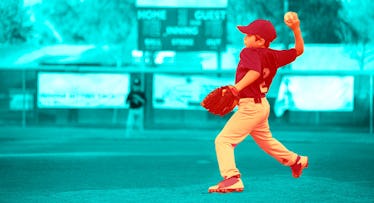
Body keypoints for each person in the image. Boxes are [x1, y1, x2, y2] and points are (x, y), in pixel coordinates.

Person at [208, 12, 308, 193]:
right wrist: (296, 29)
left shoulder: (249, 52)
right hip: (262, 105)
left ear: (260, 40)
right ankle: (296, 160)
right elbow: (299, 51)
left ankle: (232, 178)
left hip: (251, 107)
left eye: (248, 35)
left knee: (223, 141)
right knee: (266, 142)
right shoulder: (273, 56)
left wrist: (236, 88)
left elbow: (254, 72)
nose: (245, 38)